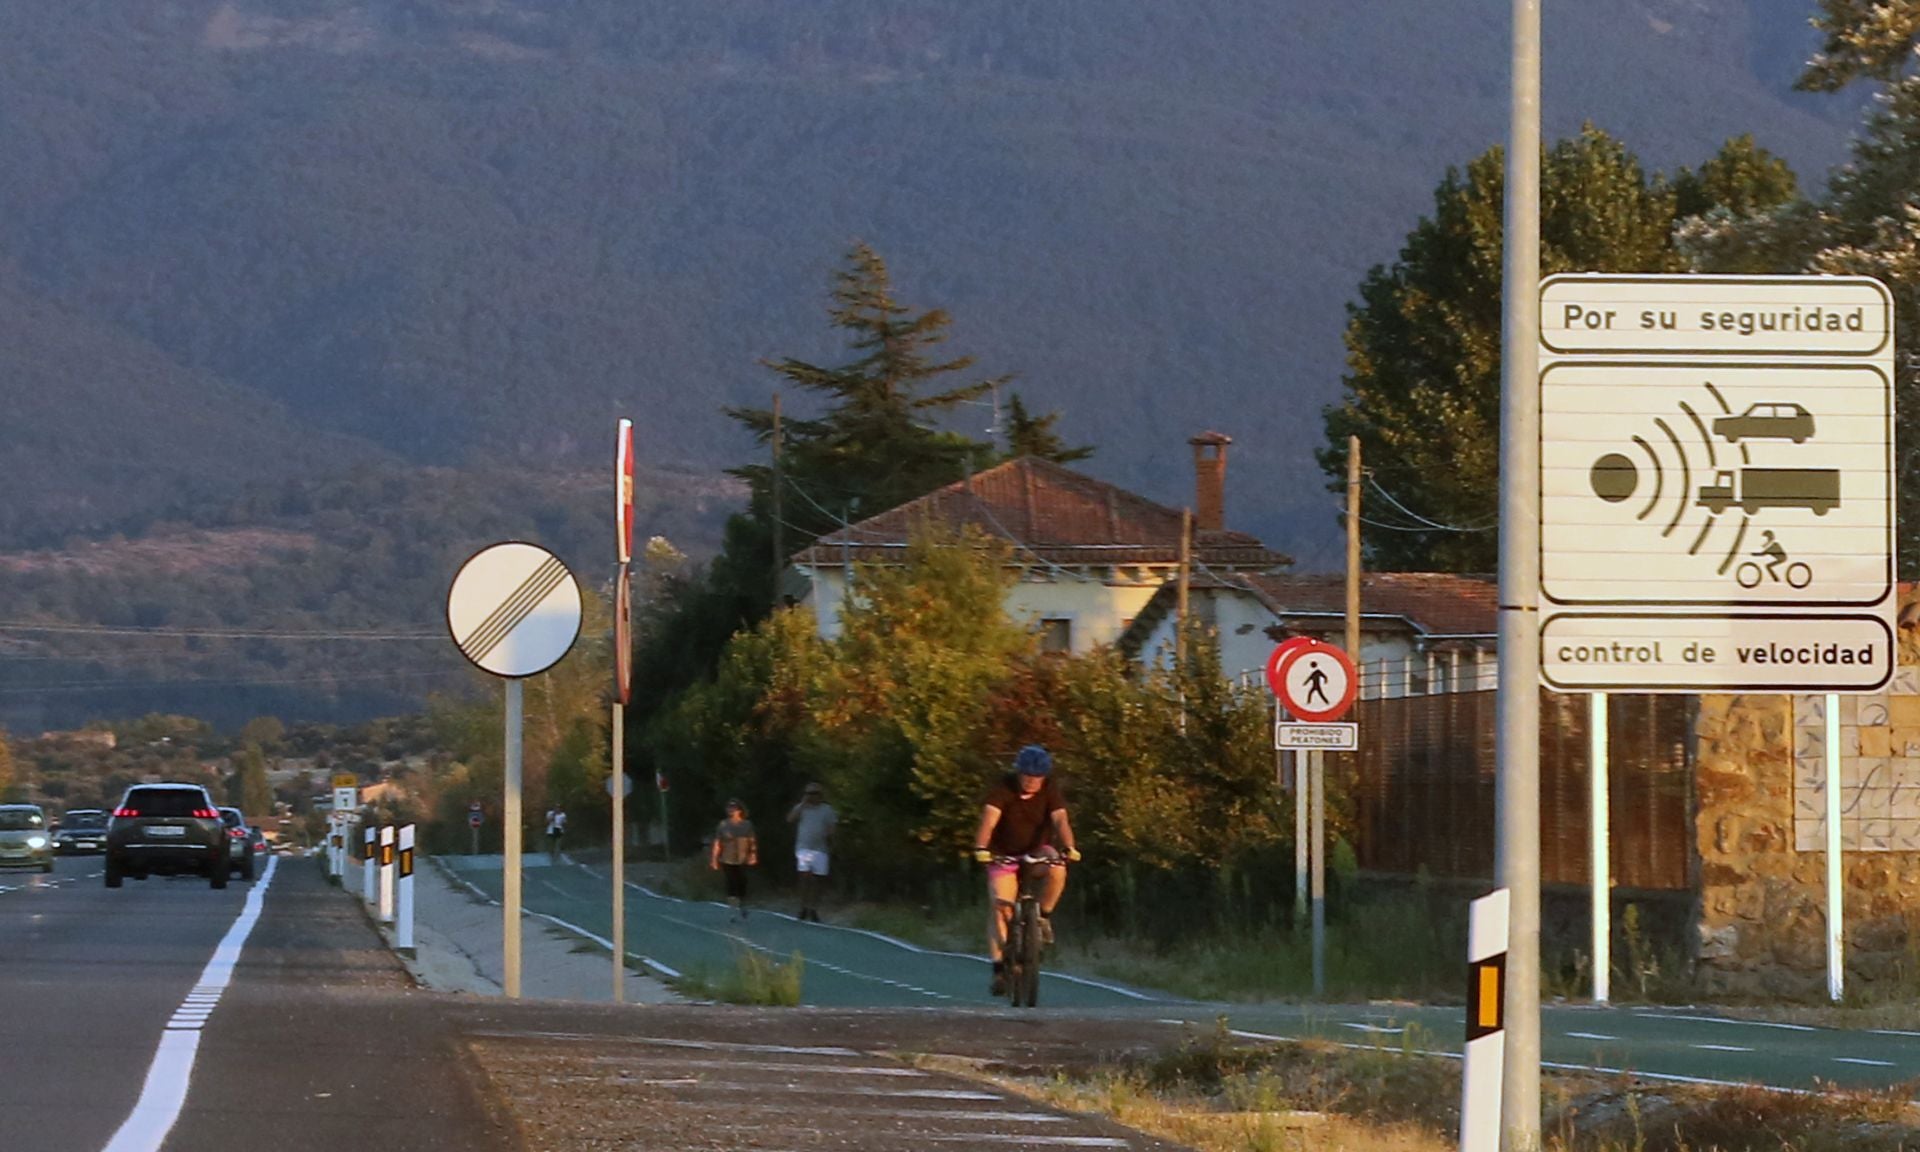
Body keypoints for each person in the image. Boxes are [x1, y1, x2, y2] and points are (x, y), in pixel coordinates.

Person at [970, 745, 1081, 996]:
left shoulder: (1050, 790)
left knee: (1058, 867)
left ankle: (1043, 915)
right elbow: (988, 821)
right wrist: (981, 847)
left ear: (1045, 777)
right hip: (1004, 854)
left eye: (1037, 777)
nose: (1031, 781)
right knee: (1001, 906)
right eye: (1027, 776)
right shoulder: (1003, 788)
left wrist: (1070, 847)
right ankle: (999, 969)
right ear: (1018, 773)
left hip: (1036, 851)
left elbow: (1061, 820)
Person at [786, 782, 838, 922]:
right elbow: (790, 819)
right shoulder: (801, 808)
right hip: (804, 848)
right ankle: (802, 907)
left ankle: (813, 908)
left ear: (820, 795)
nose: (811, 796)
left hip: (820, 849)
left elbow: (832, 828)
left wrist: (831, 840)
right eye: (809, 793)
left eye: (814, 793)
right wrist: (802, 804)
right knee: (804, 877)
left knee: (818, 880)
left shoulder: (827, 809)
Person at [709, 799, 758, 921]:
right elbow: (717, 842)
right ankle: (732, 911)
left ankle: (742, 904)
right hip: (727, 858)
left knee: (742, 882)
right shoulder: (723, 825)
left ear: (739, 810)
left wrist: (753, 855)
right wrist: (714, 859)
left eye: (733, 808)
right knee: (730, 883)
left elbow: (752, 841)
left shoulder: (747, 824)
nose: (730, 810)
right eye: (729, 808)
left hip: (742, 859)